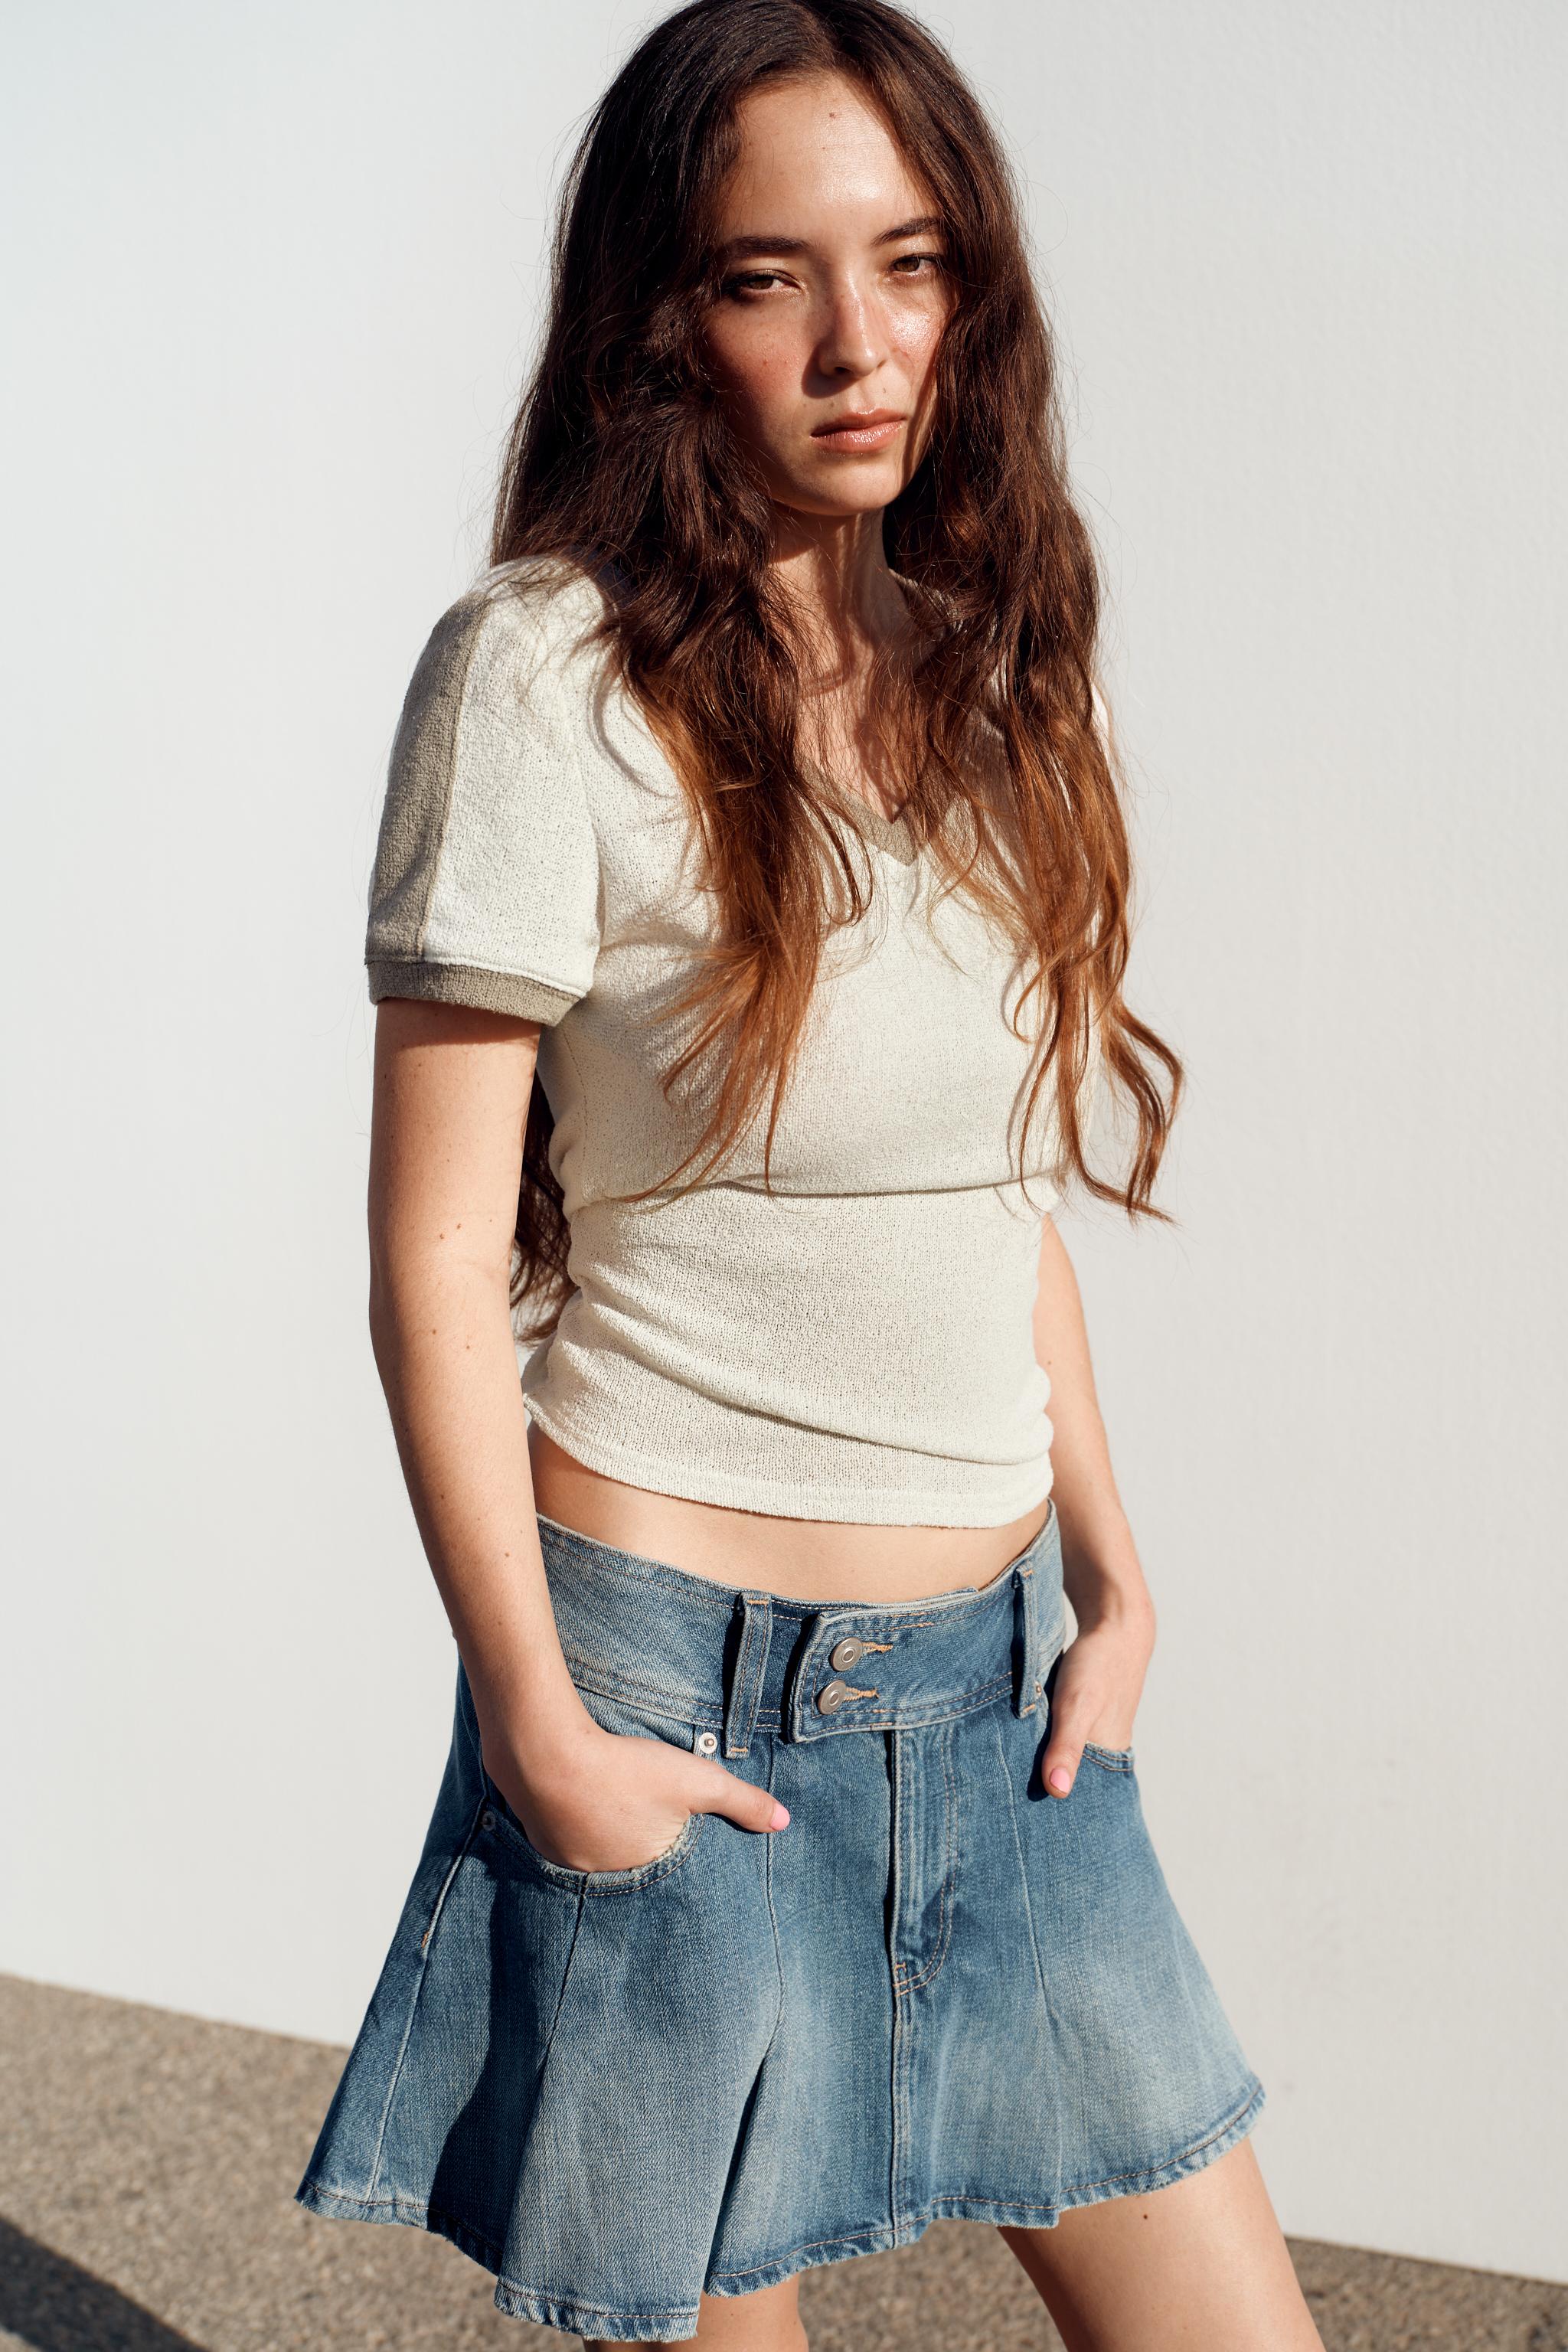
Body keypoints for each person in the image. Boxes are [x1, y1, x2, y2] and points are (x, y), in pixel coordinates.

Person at [296, 3, 1324, 2346]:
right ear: (662, 319)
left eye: (913, 262)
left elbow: (991, 1207)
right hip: (683, 1700)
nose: (861, 345)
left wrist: (1114, 1578)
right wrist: (540, 1727)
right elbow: (435, 1259)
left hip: (1002, 1708)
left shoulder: (991, 673)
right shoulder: (538, 678)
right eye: (771, 277)